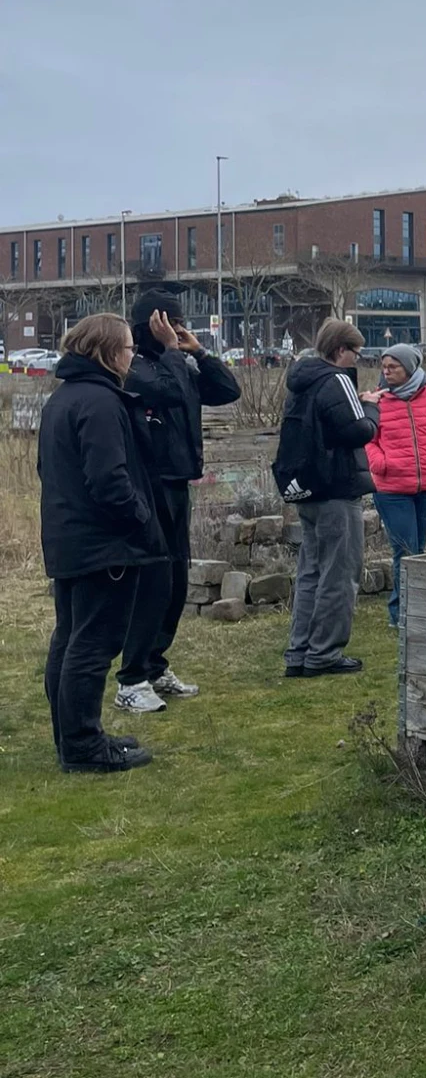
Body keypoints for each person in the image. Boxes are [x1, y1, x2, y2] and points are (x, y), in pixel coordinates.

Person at [37, 314, 166, 772]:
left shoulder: (62, 399)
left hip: (69, 539)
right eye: (129, 348)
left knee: (70, 639)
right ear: (109, 352)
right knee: (91, 644)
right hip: (103, 545)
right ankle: (83, 746)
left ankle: (71, 738)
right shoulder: (100, 402)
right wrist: (139, 517)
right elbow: (109, 480)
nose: (133, 356)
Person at [113, 289, 241, 716]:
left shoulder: (178, 361)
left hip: (179, 482)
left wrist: (199, 353)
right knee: (153, 583)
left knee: (175, 584)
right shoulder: (132, 365)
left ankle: (154, 664)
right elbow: (163, 392)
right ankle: (131, 677)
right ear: (155, 323)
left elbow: (227, 390)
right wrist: (171, 351)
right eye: (174, 323)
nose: (181, 330)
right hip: (149, 485)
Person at [275, 319, 378, 678]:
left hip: (309, 489)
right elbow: (358, 431)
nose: (358, 360)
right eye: (356, 353)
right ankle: (325, 653)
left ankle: (299, 651)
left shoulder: (301, 382)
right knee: (339, 573)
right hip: (337, 489)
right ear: (340, 351)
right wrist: (371, 409)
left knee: (310, 573)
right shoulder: (336, 379)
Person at [363, 343, 426, 624]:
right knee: (405, 550)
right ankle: (400, 614)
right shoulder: (376, 400)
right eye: (384, 367)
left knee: (419, 549)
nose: (386, 372)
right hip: (392, 490)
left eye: (393, 367)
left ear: (410, 368)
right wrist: (381, 464)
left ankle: (417, 609)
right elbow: (368, 439)